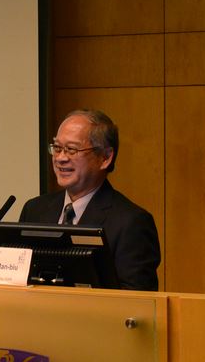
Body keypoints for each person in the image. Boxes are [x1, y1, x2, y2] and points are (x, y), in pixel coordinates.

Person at [19, 109, 161, 291]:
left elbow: (137, 300)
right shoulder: (34, 210)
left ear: (105, 158)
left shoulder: (131, 223)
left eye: (71, 149)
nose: (60, 158)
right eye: (57, 148)